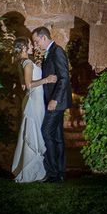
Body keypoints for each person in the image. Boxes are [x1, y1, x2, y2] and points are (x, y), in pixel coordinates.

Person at [11, 37, 57, 183]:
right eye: (30, 44)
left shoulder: (22, 62)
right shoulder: (27, 63)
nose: (32, 46)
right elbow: (29, 85)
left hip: (32, 99)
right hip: (35, 101)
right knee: (35, 132)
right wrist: (46, 79)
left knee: (33, 131)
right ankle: (34, 171)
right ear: (24, 47)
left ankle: (32, 168)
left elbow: (23, 86)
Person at [32, 26, 72, 183]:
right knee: (57, 137)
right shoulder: (50, 53)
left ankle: (53, 172)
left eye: (36, 41)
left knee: (45, 132)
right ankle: (60, 173)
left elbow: (64, 78)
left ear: (43, 38)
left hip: (56, 102)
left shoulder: (57, 51)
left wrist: (54, 99)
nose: (36, 45)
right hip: (54, 101)